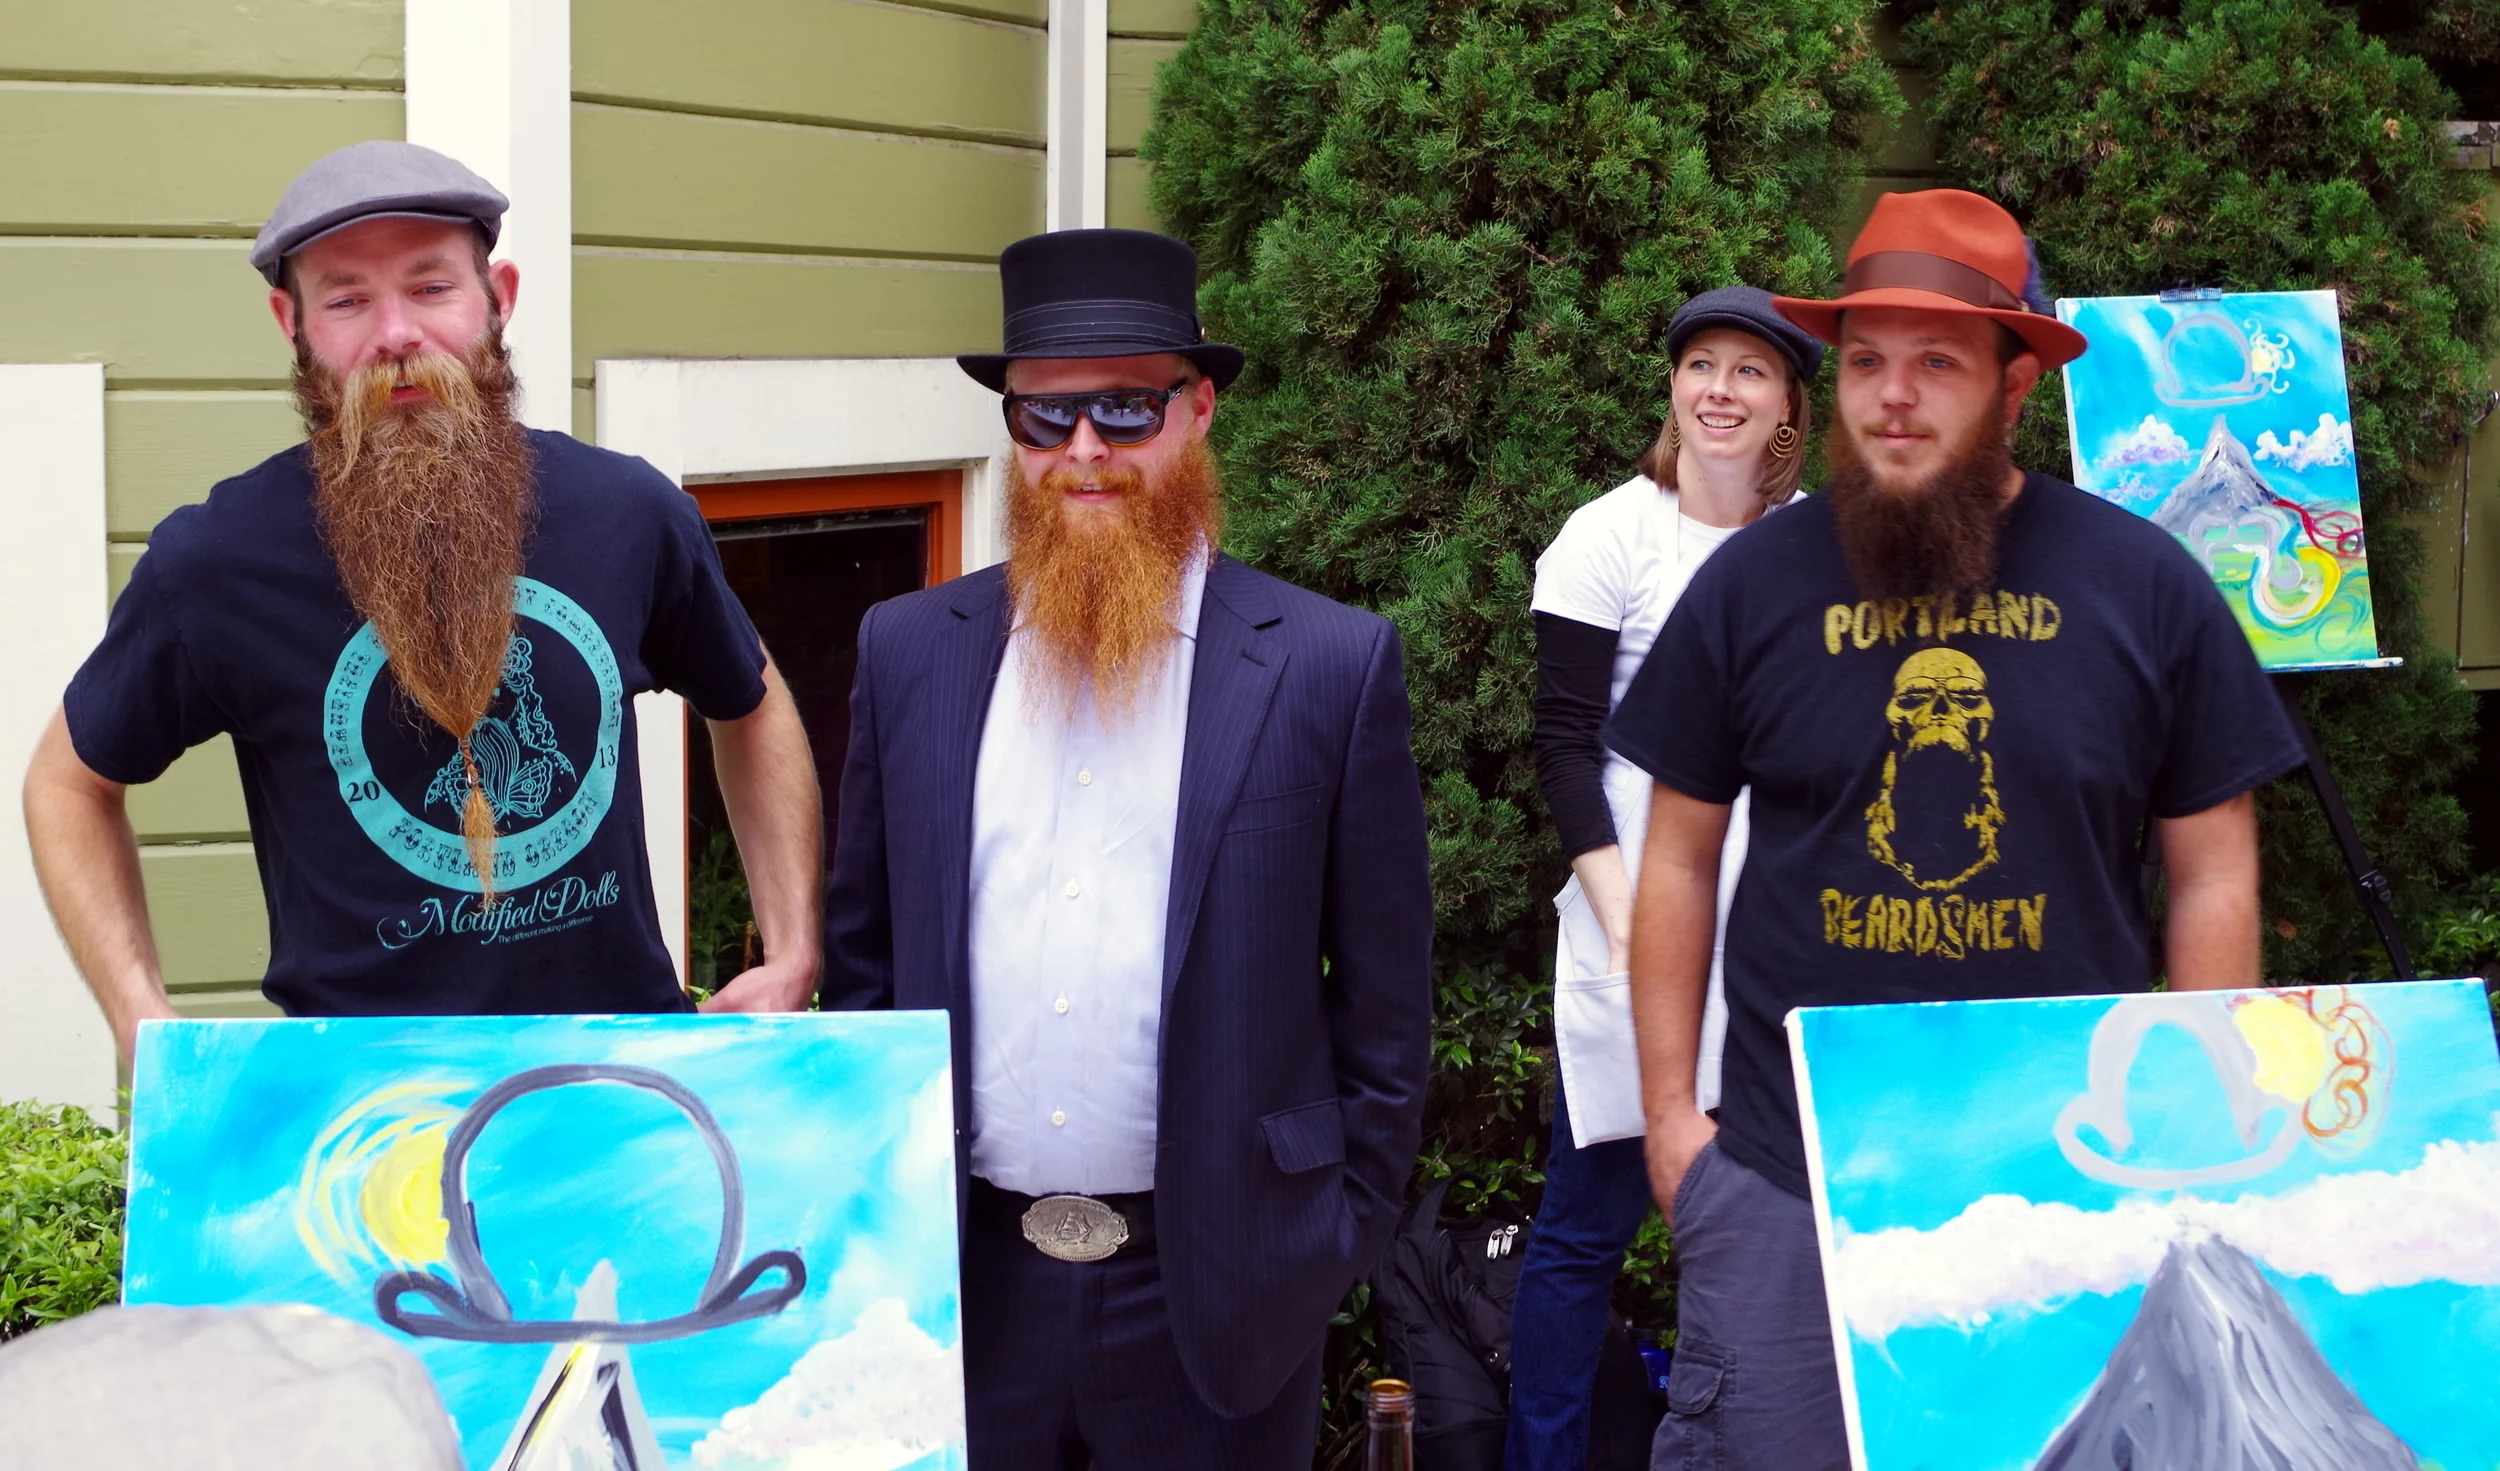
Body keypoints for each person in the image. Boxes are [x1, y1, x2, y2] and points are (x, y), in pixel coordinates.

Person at [1603, 190, 2305, 1469]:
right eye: (1865, 361)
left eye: (1937, 362)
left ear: (2015, 382)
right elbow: (1678, 857)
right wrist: (1670, 1123)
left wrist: (2204, 1141)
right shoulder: (1751, 584)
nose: (1893, 396)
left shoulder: (2146, 586)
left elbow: (2212, 874)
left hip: (2075, 1186)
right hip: (1779, 1184)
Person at [821, 227, 1434, 1469]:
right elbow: (866, 961)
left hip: (1213, 1298)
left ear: (1198, 410)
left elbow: (1386, 1010)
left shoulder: (1327, 664)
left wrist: (1323, 1244)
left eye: (1125, 408)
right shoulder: (907, 651)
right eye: (1045, 418)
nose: (1084, 451)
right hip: (964, 1290)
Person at [23, 141, 822, 1064]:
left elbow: (750, 703)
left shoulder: (629, 514)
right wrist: (137, 1014)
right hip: (358, 1110)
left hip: (621, 1082)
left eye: (431, 286)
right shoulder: (215, 560)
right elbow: (67, 783)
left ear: (499, 298)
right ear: (292, 323)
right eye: (348, 298)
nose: (395, 334)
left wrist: (793, 944)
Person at [1508, 286, 1823, 1471]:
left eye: (1750, 371)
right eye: (1700, 365)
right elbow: (1562, 741)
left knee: (1769, 1230)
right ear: (1671, 389)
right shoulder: (1608, 537)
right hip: (1630, 921)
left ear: (1790, 403)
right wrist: (1629, 925)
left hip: (1785, 943)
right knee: (1583, 1234)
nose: (1720, 391)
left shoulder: (1817, 543)